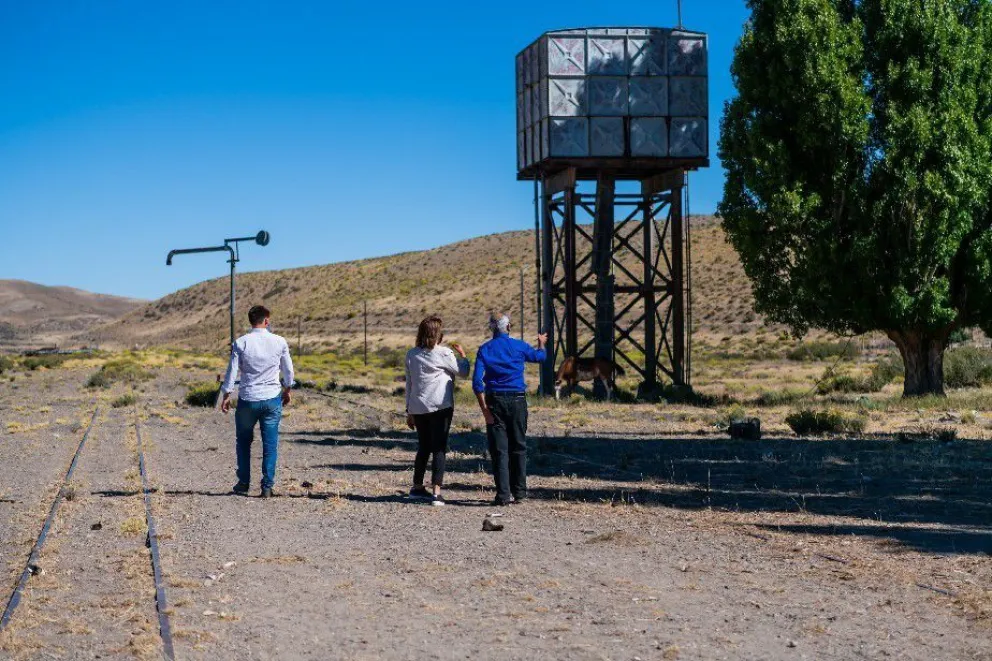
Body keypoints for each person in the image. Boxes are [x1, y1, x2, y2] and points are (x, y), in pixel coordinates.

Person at [220, 305, 294, 498]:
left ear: (251, 320)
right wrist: (287, 389)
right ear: (266, 321)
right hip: (271, 399)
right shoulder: (279, 341)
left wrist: (226, 394)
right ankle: (267, 486)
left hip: (248, 399)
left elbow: (232, 371)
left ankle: (244, 483)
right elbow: (288, 370)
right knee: (270, 443)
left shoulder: (241, 343)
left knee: (243, 442)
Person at [472, 313, 546, 506]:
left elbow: (477, 384)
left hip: (494, 401)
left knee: (499, 450)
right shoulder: (519, 346)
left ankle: (503, 495)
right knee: (519, 446)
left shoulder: (485, 349)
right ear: (509, 327)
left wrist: (485, 410)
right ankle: (520, 492)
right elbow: (540, 357)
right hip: (517, 400)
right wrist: (541, 343)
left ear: (492, 329)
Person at [405, 315, 470, 507]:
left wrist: (408, 410)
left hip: (418, 406)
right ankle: (436, 492)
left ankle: (417, 487)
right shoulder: (444, 353)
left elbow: (409, 383)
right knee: (439, 447)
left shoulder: (411, 354)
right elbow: (463, 371)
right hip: (440, 405)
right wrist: (464, 356)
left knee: (423, 446)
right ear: (437, 334)